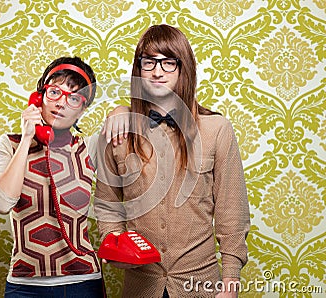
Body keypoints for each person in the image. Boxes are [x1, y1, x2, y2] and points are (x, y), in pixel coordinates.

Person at [94, 24, 250, 297]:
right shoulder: (119, 130)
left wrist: (231, 281)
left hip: (201, 285)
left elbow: (232, 213)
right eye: (149, 62)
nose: (157, 71)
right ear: (138, 70)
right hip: (140, 286)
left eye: (168, 63)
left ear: (182, 70)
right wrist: (113, 243)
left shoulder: (217, 129)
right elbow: (107, 205)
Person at [0, 56, 128, 297]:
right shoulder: (10, 145)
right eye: (54, 92)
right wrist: (27, 139)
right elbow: (1, 203)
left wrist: (120, 110)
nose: (61, 103)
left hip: (82, 283)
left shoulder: (90, 147)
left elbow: (140, 123)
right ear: (39, 96)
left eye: (74, 98)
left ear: (82, 109)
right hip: (25, 286)